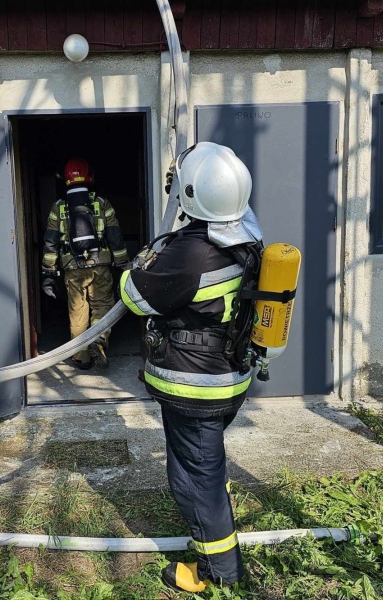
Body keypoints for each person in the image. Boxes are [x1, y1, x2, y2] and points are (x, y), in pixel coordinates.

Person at [119, 142, 264, 592]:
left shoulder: (192, 254)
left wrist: (142, 262)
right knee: (206, 466)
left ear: (190, 194)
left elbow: (133, 296)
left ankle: (219, 573)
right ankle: (213, 524)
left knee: (195, 479)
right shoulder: (247, 236)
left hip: (195, 386)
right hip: (227, 375)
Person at [41, 158, 129, 370]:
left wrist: (49, 273)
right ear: (89, 176)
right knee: (102, 304)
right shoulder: (102, 203)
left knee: (77, 311)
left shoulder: (58, 207)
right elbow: (115, 236)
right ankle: (99, 338)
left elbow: (51, 241)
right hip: (100, 265)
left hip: (72, 267)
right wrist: (122, 263)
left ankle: (81, 358)